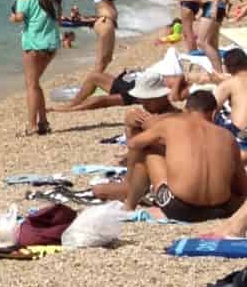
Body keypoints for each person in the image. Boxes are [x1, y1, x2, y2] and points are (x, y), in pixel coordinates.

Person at [93, 89, 247, 222]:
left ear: (186, 111)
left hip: (179, 209)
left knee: (148, 151)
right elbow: (242, 186)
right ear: (214, 113)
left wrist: (139, 127)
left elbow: (134, 144)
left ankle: (129, 206)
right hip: (220, 210)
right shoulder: (227, 137)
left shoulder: (171, 123)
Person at [13, 0, 63, 134]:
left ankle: (32, 125)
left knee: (31, 85)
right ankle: (43, 123)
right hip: (51, 44)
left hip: (34, 44)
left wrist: (13, 16)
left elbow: (19, 17)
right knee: (35, 84)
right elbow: (59, 18)